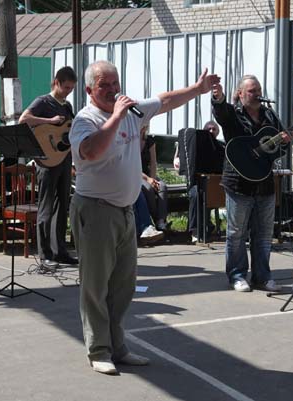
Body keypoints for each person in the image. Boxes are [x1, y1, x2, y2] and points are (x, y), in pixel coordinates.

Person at [69, 60, 220, 374]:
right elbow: (92, 152)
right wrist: (116, 117)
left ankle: (117, 346)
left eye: (115, 84)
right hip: (96, 211)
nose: (112, 90)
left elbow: (164, 101)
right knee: (96, 286)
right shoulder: (86, 120)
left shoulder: (131, 112)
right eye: (104, 86)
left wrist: (197, 89)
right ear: (89, 90)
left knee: (123, 285)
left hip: (125, 212)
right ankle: (98, 350)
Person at [211, 75, 291, 293]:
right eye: (251, 91)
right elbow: (221, 112)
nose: (257, 95)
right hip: (238, 183)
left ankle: (262, 277)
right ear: (240, 93)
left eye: (258, 90)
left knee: (264, 233)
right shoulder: (233, 115)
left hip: (264, 182)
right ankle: (237, 275)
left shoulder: (270, 116)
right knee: (236, 233)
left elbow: (276, 152)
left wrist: (284, 142)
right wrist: (218, 98)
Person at [19, 66, 78, 268]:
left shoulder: (68, 106)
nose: (68, 91)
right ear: (56, 82)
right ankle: (44, 254)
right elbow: (23, 119)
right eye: (66, 87)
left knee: (63, 205)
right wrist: (49, 120)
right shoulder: (43, 101)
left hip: (64, 159)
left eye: (71, 88)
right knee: (46, 206)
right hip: (46, 160)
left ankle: (60, 251)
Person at [185, 121, 223, 243]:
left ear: (218, 132)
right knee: (196, 194)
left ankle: (208, 226)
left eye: (214, 129)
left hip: (214, 185)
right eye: (209, 129)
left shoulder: (221, 147)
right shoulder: (195, 146)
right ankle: (195, 231)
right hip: (196, 184)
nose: (211, 131)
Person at [140, 125, 169, 231]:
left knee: (162, 186)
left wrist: (153, 179)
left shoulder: (150, 141)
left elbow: (153, 163)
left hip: (148, 174)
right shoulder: (130, 140)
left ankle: (161, 221)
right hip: (135, 174)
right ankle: (157, 219)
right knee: (148, 188)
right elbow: (131, 166)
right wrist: (148, 179)